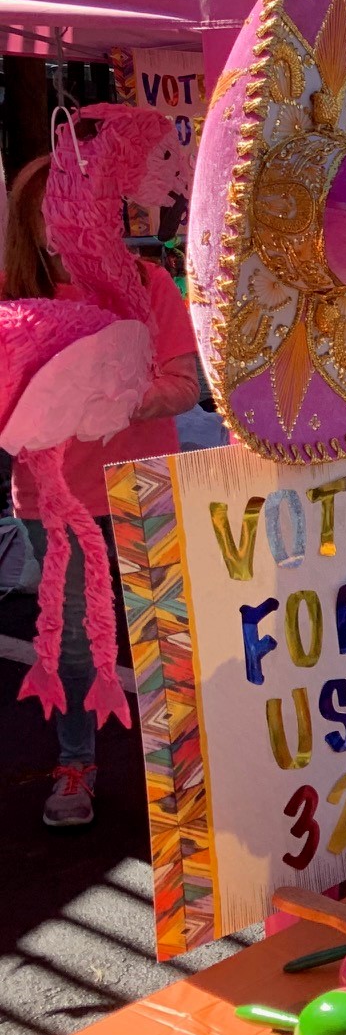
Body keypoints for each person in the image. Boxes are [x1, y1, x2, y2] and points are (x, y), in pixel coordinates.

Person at [4, 154, 200, 828]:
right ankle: (76, 762)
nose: (67, 222)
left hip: (145, 488)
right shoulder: (11, 296)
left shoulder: (146, 284)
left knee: (164, 632)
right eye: (52, 208)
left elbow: (185, 385)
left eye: (83, 205)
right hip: (54, 501)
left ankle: (181, 770)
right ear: (28, 223)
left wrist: (116, 399)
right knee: (78, 646)